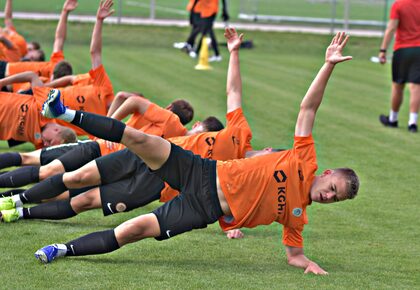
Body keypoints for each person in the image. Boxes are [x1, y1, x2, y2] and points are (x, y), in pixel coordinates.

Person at [35, 29, 359, 275]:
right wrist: (327, 65)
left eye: (336, 199)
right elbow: (306, 108)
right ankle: (65, 114)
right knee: (139, 139)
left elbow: (294, 254)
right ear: (327, 174)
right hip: (200, 170)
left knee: (134, 229)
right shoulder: (302, 157)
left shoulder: (297, 216)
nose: (330, 197)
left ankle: (61, 249)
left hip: (201, 207)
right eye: (333, 189)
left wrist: (305, 262)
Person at [0, 30, 263, 245]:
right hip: (110, 150)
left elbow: (221, 199)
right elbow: (131, 99)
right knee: (56, 174)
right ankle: (14, 199)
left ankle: (16, 209)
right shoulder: (198, 130)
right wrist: (234, 53)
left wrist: (230, 225)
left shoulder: (232, 167)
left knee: (75, 197)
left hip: (149, 182)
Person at [0, 93, 201, 188]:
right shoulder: (180, 140)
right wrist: (109, 127)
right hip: (110, 164)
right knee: (55, 180)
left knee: (39, 167)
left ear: (169, 107)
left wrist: (109, 125)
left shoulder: (167, 118)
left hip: (99, 149)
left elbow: (127, 97)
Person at [0, 0, 115, 140]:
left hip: (44, 128)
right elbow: (94, 53)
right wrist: (98, 21)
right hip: (36, 102)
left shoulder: (101, 126)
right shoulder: (104, 86)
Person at [0, 0, 78, 93]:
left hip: (8, 83)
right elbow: (59, 39)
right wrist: (65, 12)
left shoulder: (47, 88)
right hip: (5, 72)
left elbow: (59, 39)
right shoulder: (56, 66)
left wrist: (65, 12)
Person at [378, 0, 420, 133]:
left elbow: (391, 28)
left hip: (402, 49)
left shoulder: (399, 4)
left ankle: (393, 119)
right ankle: (412, 122)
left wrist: (383, 50)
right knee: (416, 86)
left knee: (397, 85)